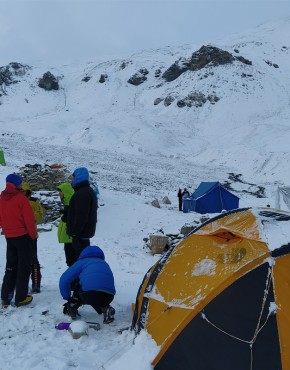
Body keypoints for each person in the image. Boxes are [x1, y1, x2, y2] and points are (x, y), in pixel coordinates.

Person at [0, 174, 36, 308]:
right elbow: (29, 220)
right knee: (24, 267)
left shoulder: (1, 198)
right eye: (20, 183)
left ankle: (6, 296)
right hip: (23, 237)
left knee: (10, 267)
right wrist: (32, 236)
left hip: (9, 237)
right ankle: (21, 297)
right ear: (16, 184)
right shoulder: (21, 199)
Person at [59, 245, 116, 323]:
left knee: (79, 285)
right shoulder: (104, 263)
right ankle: (106, 308)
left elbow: (64, 280)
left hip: (89, 295)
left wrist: (67, 297)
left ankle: (72, 306)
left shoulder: (82, 262)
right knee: (96, 290)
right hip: (109, 296)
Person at [67, 167, 97, 261]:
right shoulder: (85, 191)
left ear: (79, 178)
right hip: (83, 234)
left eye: (73, 177)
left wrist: (75, 234)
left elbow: (81, 216)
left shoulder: (83, 193)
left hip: (80, 235)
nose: (71, 180)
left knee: (79, 262)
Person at [21, 182, 44, 293]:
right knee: (20, 261)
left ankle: (36, 284)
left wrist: (28, 214)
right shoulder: (15, 202)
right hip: (19, 235)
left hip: (31, 235)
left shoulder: (34, 202)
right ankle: (20, 284)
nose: (22, 193)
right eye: (20, 191)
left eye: (24, 191)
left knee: (33, 260)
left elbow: (40, 216)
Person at [57, 183, 75, 267]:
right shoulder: (67, 203)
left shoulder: (72, 203)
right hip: (67, 238)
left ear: (66, 192)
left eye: (61, 193)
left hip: (71, 238)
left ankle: (75, 279)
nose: (59, 195)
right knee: (70, 262)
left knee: (72, 262)